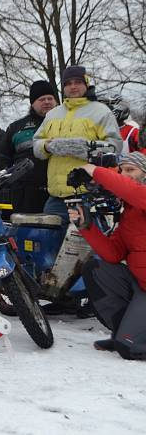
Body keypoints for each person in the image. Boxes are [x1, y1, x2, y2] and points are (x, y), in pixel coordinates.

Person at [70, 152, 146, 360]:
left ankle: (130, 338)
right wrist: (86, 226)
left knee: (130, 349)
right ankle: (125, 332)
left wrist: (93, 170)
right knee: (97, 270)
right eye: (122, 171)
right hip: (142, 286)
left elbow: (130, 190)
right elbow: (113, 254)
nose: (124, 175)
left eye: (131, 170)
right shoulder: (130, 213)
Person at [33, 65, 122, 225]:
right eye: (68, 83)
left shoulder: (101, 112)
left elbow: (115, 147)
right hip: (56, 198)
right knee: (52, 246)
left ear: (86, 83)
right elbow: (36, 146)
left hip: (89, 196)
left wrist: (86, 148)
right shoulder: (52, 114)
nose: (73, 86)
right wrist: (48, 146)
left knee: (88, 248)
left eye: (78, 82)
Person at [0, 81, 58, 214]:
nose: (47, 102)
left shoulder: (65, 123)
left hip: (58, 190)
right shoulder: (16, 128)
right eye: (41, 99)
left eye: (50, 98)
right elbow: (3, 158)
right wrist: (9, 181)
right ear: (32, 103)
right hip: (24, 193)